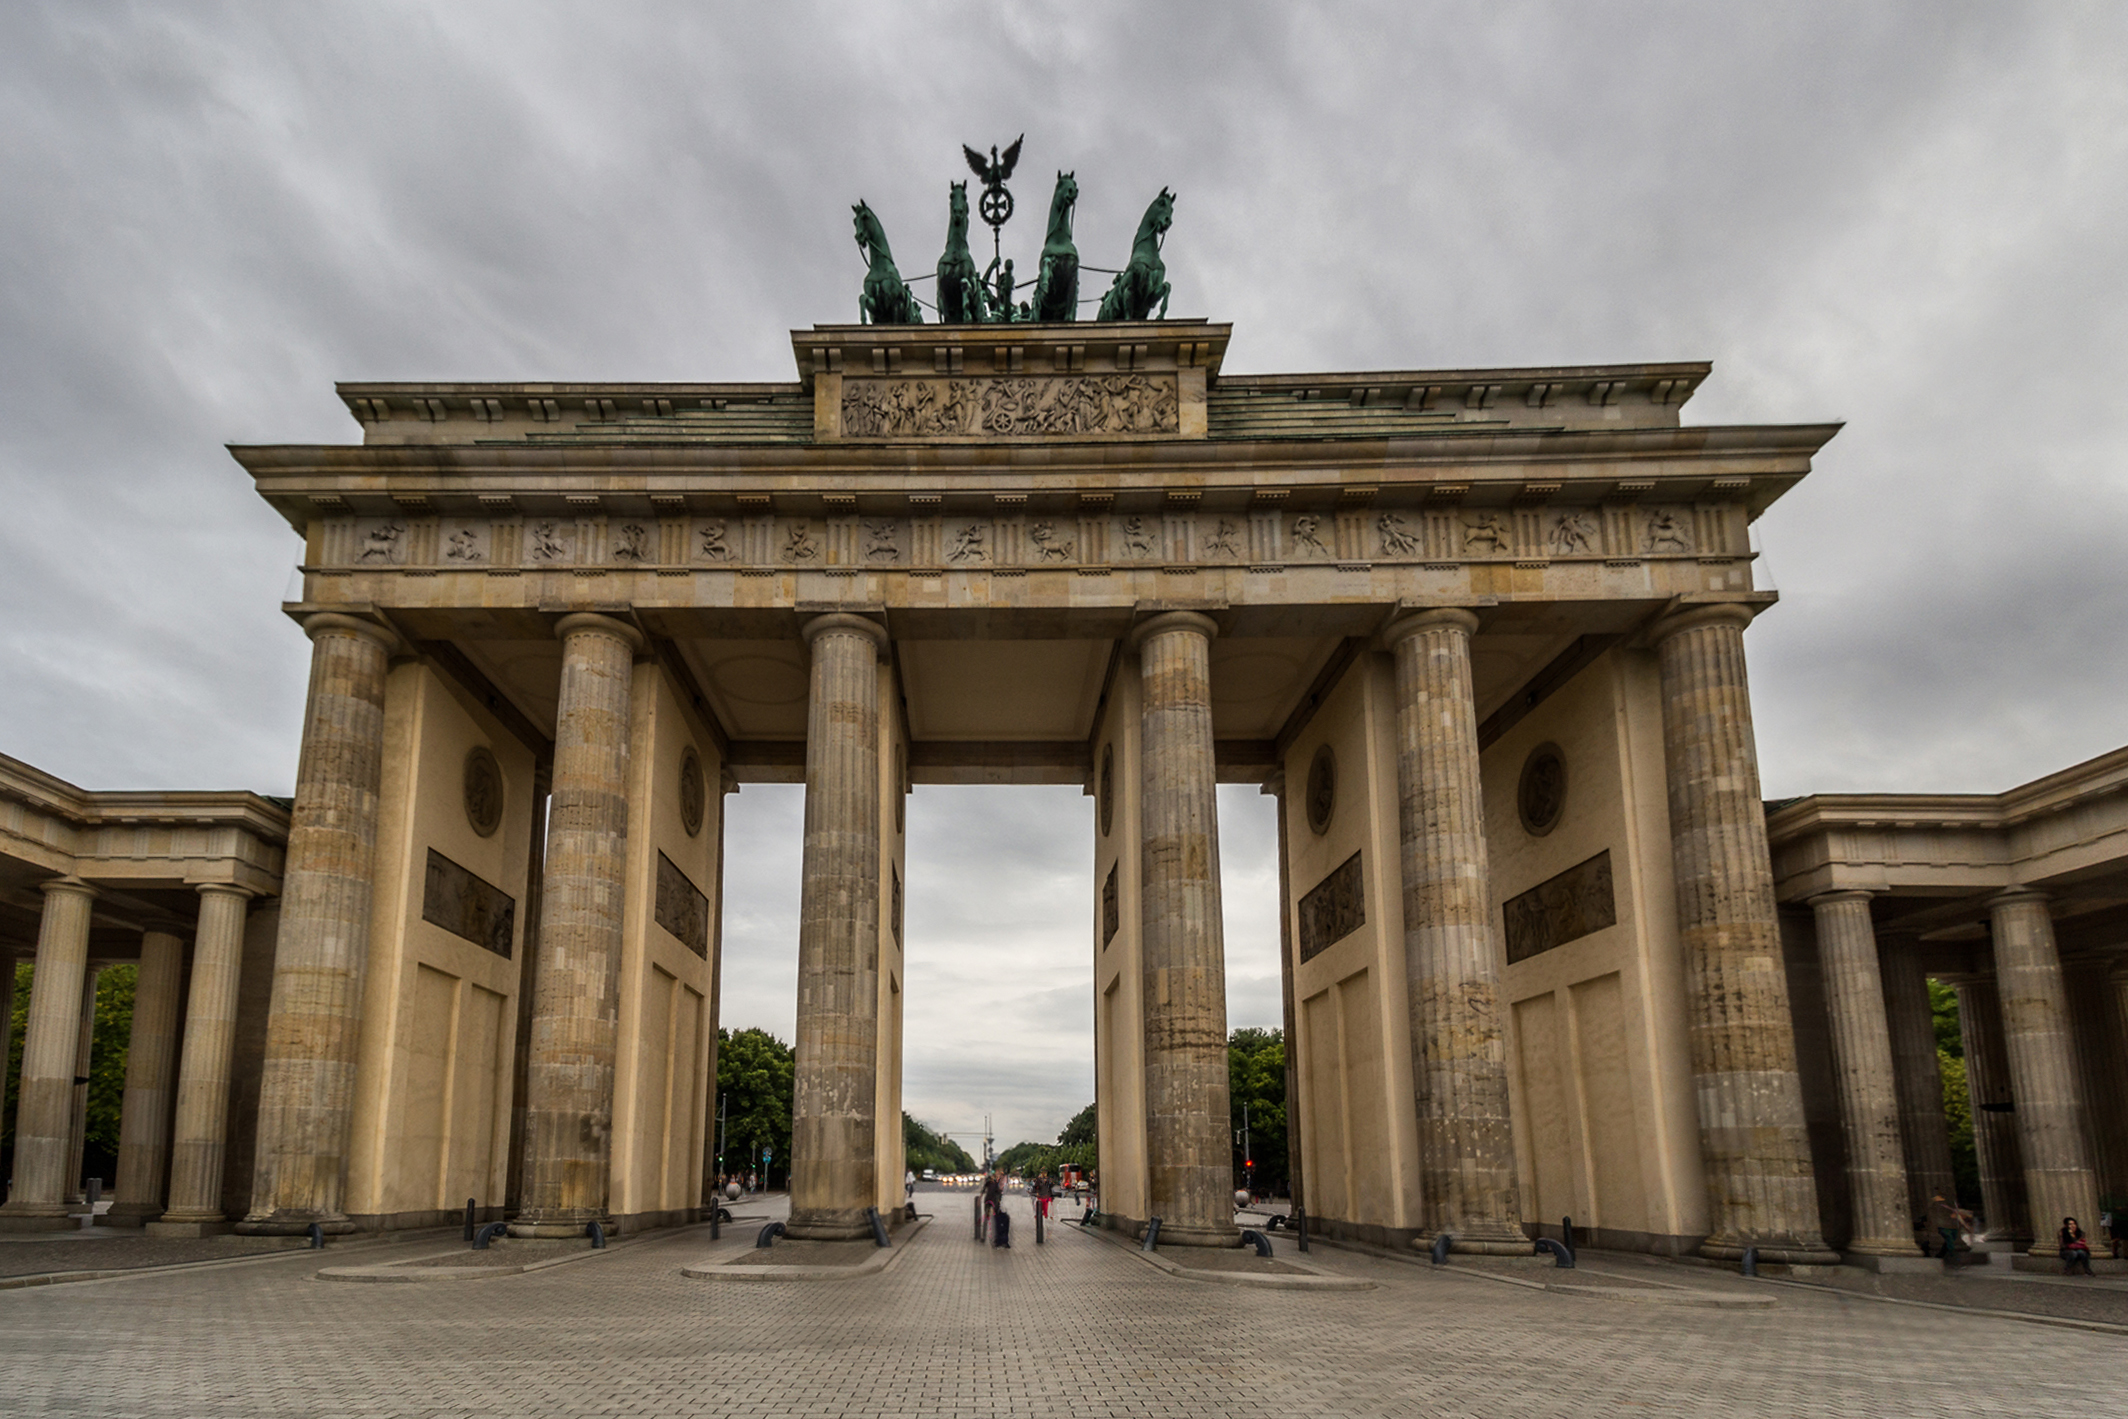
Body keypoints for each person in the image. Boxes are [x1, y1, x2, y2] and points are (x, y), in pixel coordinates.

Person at [1925, 1189, 1964, 1259]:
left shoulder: (1948, 1204)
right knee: (1948, 1239)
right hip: (1943, 1226)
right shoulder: (1936, 1205)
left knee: (1950, 1238)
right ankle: (1949, 1254)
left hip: (1949, 1225)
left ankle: (1945, 1254)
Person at [980, 1168, 1002, 1241]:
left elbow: (999, 1193)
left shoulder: (996, 1182)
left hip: (992, 1200)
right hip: (990, 1200)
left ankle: (993, 1235)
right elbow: (984, 1190)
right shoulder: (991, 1182)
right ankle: (984, 1236)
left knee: (993, 1218)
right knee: (987, 1217)